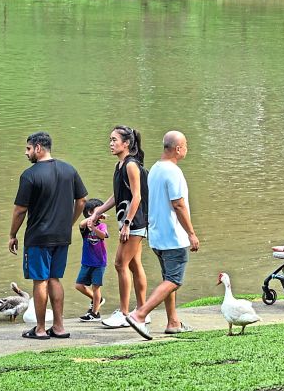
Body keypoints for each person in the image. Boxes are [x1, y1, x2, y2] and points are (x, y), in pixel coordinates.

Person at [9, 131, 87, 339]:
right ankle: (59, 327)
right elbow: (82, 201)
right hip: (61, 236)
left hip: (38, 236)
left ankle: (41, 329)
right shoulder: (69, 170)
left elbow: (20, 210)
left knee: (40, 281)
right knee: (55, 279)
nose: (26, 153)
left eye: (28, 148)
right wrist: (68, 223)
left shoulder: (30, 175)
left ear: (38, 148)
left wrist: (12, 234)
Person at [125, 131, 199, 340]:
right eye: (185, 145)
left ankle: (173, 322)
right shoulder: (173, 172)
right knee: (174, 280)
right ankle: (139, 314)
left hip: (157, 235)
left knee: (168, 279)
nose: (187, 148)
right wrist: (191, 233)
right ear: (177, 149)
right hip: (172, 236)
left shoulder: (156, 169)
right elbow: (178, 204)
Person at [82, 126, 150, 330]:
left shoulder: (131, 165)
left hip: (135, 222)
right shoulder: (119, 165)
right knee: (134, 264)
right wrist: (97, 211)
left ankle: (124, 313)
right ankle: (142, 312)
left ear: (126, 143)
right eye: (110, 140)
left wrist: (127, 224)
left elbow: (137, 196)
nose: (111, 143)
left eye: (114, 140)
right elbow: (117, 196)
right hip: (127, 222)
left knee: (120, 264)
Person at [74, 198, 109, 321]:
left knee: (96, 287)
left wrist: (94, 228)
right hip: (86, 262)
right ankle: (97, 300)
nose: (102, 212)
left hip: (99, 262)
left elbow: (103, 235)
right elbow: (81, 224)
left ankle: (95, 313)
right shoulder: (85, 227)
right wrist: (92, 220)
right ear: (90, 212)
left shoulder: (102, 225)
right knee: (79, 285)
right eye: (99, 210)